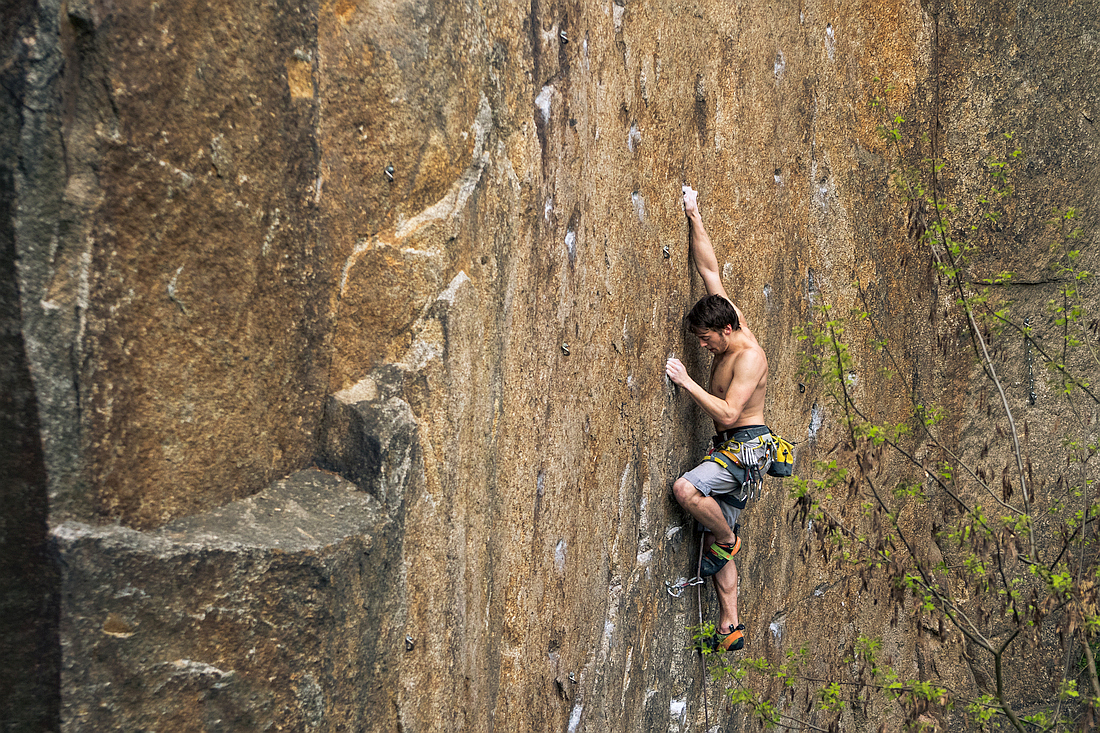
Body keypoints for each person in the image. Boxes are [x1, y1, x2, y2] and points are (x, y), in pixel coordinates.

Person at [665, 184, 771, 653]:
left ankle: (728, 535)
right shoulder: (728, 316)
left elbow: (730, 411)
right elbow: (709, 267)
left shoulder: (749, 357)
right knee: (713, 531)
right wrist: (694, 213)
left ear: (727, 330)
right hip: (729, 449)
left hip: (747, 448)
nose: (704, 345)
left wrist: (688, 382)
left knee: (687, 491)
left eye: (708, 339)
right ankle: (731, 625)